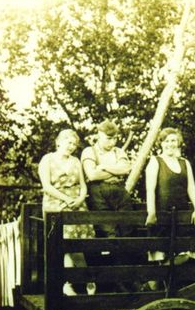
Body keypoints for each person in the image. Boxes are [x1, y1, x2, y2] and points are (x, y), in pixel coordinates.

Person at [38, 129, 96, 296]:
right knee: (67, 242)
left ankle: (70, 282)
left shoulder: (76, 161)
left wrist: (79, 199)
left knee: (76, 244)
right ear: (59, 142)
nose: (71, 146)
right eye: (68, 142)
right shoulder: (47, 159)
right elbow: (47, 186)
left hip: (77, 204)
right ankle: (87, 278)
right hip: (55, 203)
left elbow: (83, 185)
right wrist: (66, 199)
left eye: (74, 144)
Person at [144, 127, 195, 264]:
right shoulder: (155, 161)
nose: (170, 144)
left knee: (185, 254)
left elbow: (191, 187)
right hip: (162, 214)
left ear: (178, 142)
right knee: (162, 255)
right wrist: (151, 213)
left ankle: (166, 272)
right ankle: (161, 275)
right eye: (167, 141)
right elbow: (150, 190)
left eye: (173, 140)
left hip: (181, 214)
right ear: (161, 143)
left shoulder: (184, 163)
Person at [81, 119, 135, 239]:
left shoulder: (118, 151)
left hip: (120, 192)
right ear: (99, 135)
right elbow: (92, 175)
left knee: (127, 230)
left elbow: (126, 169)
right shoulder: (89, 151)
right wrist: (116, 171)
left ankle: (125, 252)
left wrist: (104, 167)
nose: (113, 142)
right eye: (109, 138)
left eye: (115, 138)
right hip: (98, 193)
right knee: (108, 232)